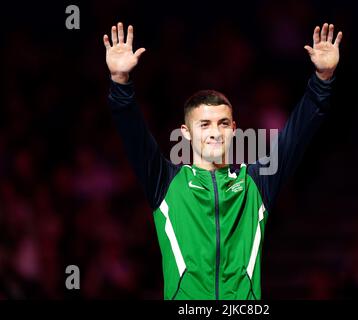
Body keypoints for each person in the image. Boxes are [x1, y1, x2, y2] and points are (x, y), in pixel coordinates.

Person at [103, 22, 342, 300]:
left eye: (223, 123)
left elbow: (296, 137)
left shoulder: (256, 183)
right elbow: (134, 136)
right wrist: (120, 82)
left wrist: (323, 78)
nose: (215, 132)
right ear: (186, 133)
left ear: (234, 129)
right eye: (204, 124)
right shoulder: (166, 183)